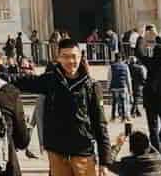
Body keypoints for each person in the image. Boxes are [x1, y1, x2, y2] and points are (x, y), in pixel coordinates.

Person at [11, 36, 107, 176]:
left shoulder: (91, 86)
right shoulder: (51, 80)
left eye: (74, 56)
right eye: (65, 57)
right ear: (58, 58)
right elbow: (23, 81)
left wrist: (104, 160)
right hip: (58, 154)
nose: (70, 61)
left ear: (80, 57)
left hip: (83, 154)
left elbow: (100, 123)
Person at [109, 57, 132, 122]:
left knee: (114, 102)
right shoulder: (125, 66)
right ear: (121, 59)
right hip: (123, 86)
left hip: (114, 87)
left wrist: (109, 87)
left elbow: (109, 78)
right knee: (123, 102)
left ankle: (113, 117)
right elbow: (128, 78)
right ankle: (123, 117)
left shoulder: (112, 67)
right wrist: (130, 89)